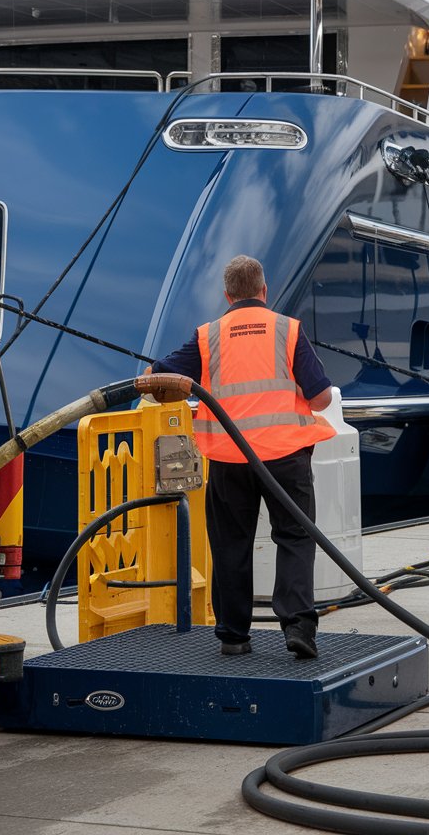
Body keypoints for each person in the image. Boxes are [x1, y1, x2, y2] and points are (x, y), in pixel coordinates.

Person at [149, 255, 335, 659]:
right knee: (295, 538)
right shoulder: (288, 330)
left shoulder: (208, 336)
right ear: (263, 291)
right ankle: (299, 626)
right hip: (286, 457)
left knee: (231, 544)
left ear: (227, 295)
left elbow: (155, 382)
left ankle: (234, 636)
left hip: (231, 461)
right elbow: (321, 397)